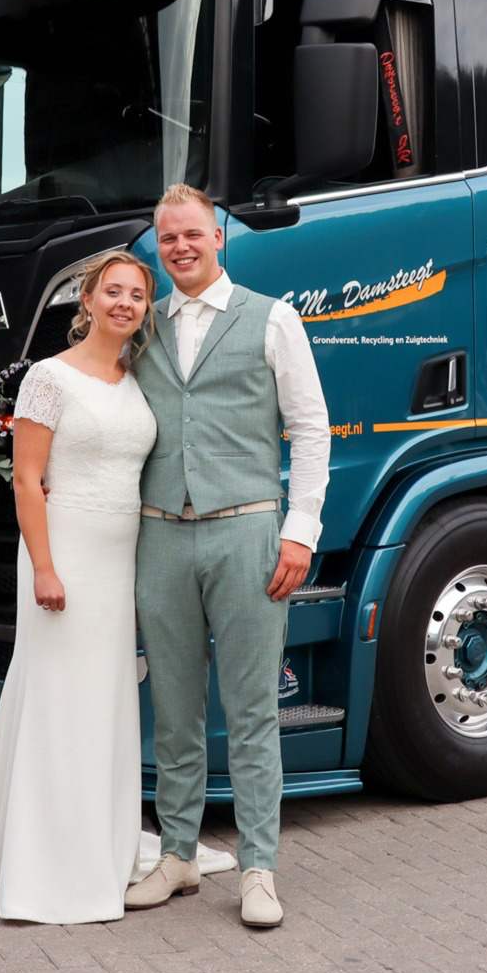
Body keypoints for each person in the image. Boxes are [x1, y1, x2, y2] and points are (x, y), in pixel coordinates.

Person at [124, 184, 331, 928]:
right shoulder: (142, 326)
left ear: (219, 237)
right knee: (174, 712)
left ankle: (258, 869)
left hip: (247, 533)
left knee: (251, 714)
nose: (180, 247)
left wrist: (300, 530)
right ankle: (178, 855)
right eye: (167, 238)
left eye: (192, 234)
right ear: (158, 247)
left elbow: (310, 427)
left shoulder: (272, 317)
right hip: (160, 536)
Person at [0, 250, 168, 924]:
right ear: (89, 299)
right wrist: (44, 567)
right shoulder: (48, 378)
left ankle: (101, 839)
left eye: (137, 295)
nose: (125, 303)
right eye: (114, 291)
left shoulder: (138, 380)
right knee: (60, 696)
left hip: (120, 559)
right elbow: (26, 480)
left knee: (106, 699)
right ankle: (49, 859)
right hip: (64, 553)